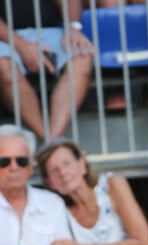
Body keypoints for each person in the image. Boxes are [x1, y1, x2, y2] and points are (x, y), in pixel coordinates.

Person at [36, 138, 148, 245]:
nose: (63, 173)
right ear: (49, 182)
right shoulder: (57, 211)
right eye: (54, 170)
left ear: (82, 165)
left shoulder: (112, 185)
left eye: (67, 163)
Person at [0, 0, 93, 142]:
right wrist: (23, 46)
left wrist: (73, 28)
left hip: (49, 32)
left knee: (82, 55)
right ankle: (49, 141)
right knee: (2, 64)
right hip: (5, 38)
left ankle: (53, 141)